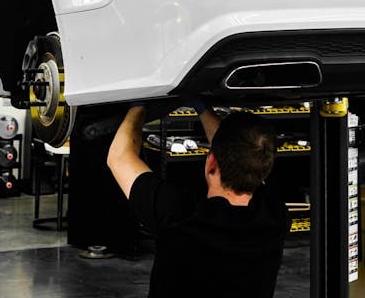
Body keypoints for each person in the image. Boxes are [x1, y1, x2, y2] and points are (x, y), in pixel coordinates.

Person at [106, 104, 289, 298]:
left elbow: (119, 157)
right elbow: (242, 156)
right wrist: (201, 107)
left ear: (210, 162)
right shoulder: (275, 216)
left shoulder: (178, 214)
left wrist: (139, 104)